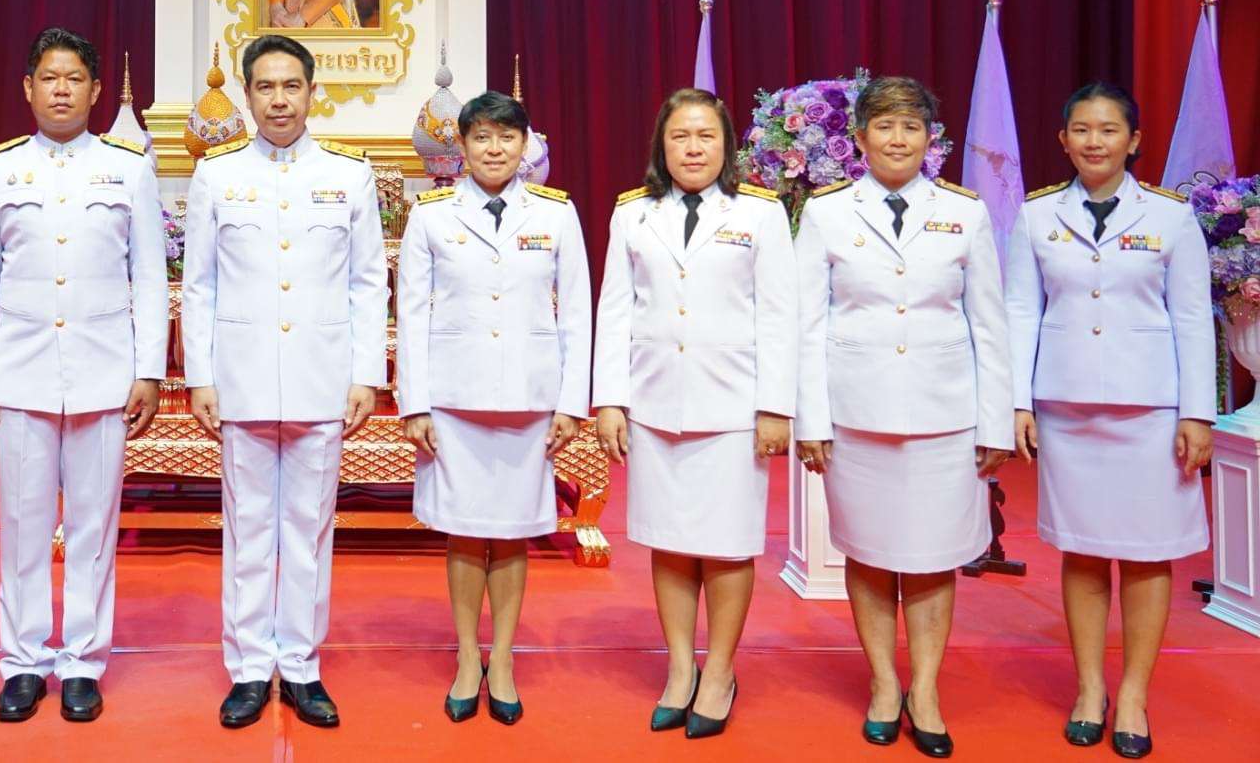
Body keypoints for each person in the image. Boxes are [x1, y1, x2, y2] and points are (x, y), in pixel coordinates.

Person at [795, 75, 1012, 757]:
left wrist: (995, 422)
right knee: (869, 550)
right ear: (859, 137)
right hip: (855, 413)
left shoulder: (965, 212)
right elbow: (806, 323)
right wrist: (811, 419)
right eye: (884, 126)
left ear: (931, 139)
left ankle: (926, 689)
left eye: (911, 126)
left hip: (945, 416)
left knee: (931, 556)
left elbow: (989, 324)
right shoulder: (828, 211)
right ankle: (885, 683)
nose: (898, 138)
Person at [0, 28, 167, 724]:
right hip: (19, 375)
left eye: (74, 78)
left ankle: (82, 660)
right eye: (48, 77)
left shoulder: (129, 167)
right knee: (22, 526)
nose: (61, 90)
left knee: (92, 528)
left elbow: (149, 275)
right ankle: (23, 660)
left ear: (96, 90)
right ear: (28, 88)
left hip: (104, 373)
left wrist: (148, 368)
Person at [180, 32, 388, 729]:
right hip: (240, 379)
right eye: (265, 87)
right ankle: (247, 667)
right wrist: (200, 375)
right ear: (246, 94)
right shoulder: (217, 175)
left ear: (311, 92)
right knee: (247, 528)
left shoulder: (348, 175)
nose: (278, 100)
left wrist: (366, 373)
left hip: (321, 379)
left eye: (291, 86)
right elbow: (199, 284)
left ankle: (300, 665)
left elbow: (368, 282)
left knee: (308, 528)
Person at [1004, 82, 1214, 758]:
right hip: (1067, 408)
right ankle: (1091, 688)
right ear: (1063, 140)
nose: (1095, 141)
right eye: (1082, 130)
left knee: (1150, 553)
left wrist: (1197, 413)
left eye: (1109, 129)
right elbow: (1019, 311)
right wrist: (1016, 400)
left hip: (1151, 410)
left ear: (1134, 140)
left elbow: (1192, 318)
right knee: (1084, 549)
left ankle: (1133, 696)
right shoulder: (1037, 215)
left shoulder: (1171, 217)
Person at [593, 88, 797, 739]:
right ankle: (681, 668)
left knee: (729, 545)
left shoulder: (760, 213)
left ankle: (720, 672)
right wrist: (610, 398)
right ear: (662, 144)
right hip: (655, 404)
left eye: (706, 135)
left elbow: (780, 316)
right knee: (672, 542)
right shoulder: (633, 213)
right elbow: (615, 310)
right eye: (680, 136)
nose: (692, 148)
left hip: (733, 407)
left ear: (726, 144)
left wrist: (775, 406)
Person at [395, 90, 589, 727]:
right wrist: (415, 404)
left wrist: (571, 401)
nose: (495, 149)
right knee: (464, 530)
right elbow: (411, 315)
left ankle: (501, 658)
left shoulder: (556, 214)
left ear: (525, 144)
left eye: (507, 137)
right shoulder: (431, 215)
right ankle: (466, 657)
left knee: (511, 533)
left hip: (529, 401)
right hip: (454, 401)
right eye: (482, 137)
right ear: (463, 145)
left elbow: (577, 314)